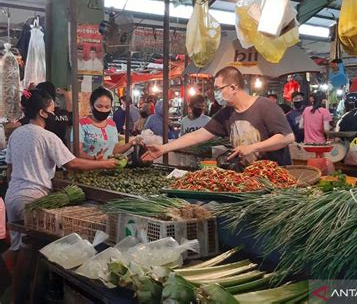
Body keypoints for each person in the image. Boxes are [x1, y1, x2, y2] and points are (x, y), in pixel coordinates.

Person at [3, 89, 117, 302]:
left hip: (13, 196)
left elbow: (10, 168)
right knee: (31, 250)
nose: (55, 111)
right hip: (33, 198)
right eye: (52, 109)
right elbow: (72, 163)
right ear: (42, 112)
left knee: (17, 247)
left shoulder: (17, 133)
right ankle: (21, 297)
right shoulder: (47, 136)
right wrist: (105, 163)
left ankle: (15, 294)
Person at [142, 67, 295, 165]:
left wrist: (252, 147)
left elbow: (287, 137)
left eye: (218, 88)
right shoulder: (226, 113)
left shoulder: (265, 106)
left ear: (233, 87)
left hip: (275, 179)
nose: (215, 93)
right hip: (248, 180)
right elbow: (197, 135)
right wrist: (163, 148)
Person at [78, 87, 137, 159]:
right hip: (87, 168)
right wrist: (94, 159)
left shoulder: (112, 124)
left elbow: (114, 151)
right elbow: (77, 152)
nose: (103, 110)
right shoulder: (81, 124)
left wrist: (132, 143)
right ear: (91, 105)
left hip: (108, 168)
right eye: (99, 106)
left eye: (107, 107)